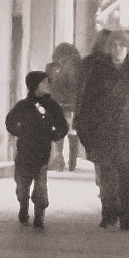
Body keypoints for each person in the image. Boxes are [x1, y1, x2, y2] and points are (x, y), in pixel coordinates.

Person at [76, 30, 129, 229]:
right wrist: (84, 126)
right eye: (114, 45)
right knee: (107, 174)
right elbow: (87, 101)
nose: (118, 49)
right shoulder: (98, 71)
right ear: (109, 48)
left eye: (122, 46)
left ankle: (128, 213)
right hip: (105, 129)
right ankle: (109, 212)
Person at [5, 71, 69, 227]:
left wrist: (53, 135)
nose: (48, 85)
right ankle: (23, 206)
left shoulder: (52, 106)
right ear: (35, 86)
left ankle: (39, 214)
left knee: (40, 185)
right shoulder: (23, 106)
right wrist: (21, 132)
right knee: (22, 184)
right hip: (24, 152)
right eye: (44, 82)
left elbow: (63, 126)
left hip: (42, 153)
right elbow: (10, 122)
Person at [46, 42, 84, 172]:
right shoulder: (78, 66)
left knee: (61, 131)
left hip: (57, 103)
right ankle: (71, 162)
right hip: (71, 104)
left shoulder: (51, 67)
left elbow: (47, 85)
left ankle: (59, 159)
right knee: (72, 133)